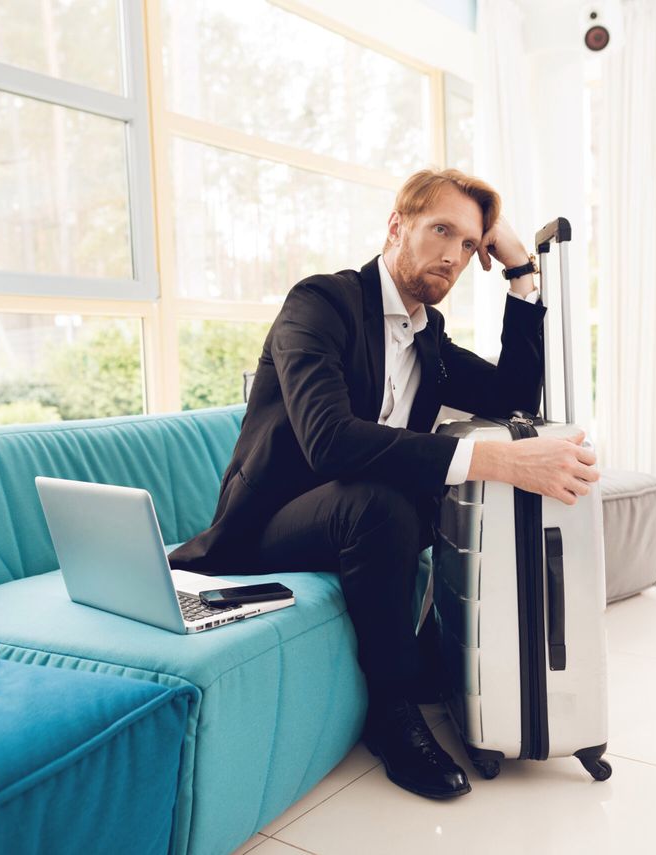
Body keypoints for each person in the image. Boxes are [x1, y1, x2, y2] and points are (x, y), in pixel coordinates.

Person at [168, 169, 599, 799]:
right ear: (397, 227)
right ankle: (392, 713)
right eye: (440, 230)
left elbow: (513, 395)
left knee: (448, 496)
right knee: (386, 499)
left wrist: (519, 276)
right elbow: (330, 441)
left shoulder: (428, 338)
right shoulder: (321, 304)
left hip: (365, 521)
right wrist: (497, 461)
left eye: (469, 244)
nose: (453, 255)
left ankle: (444, 665)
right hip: (269, 525)